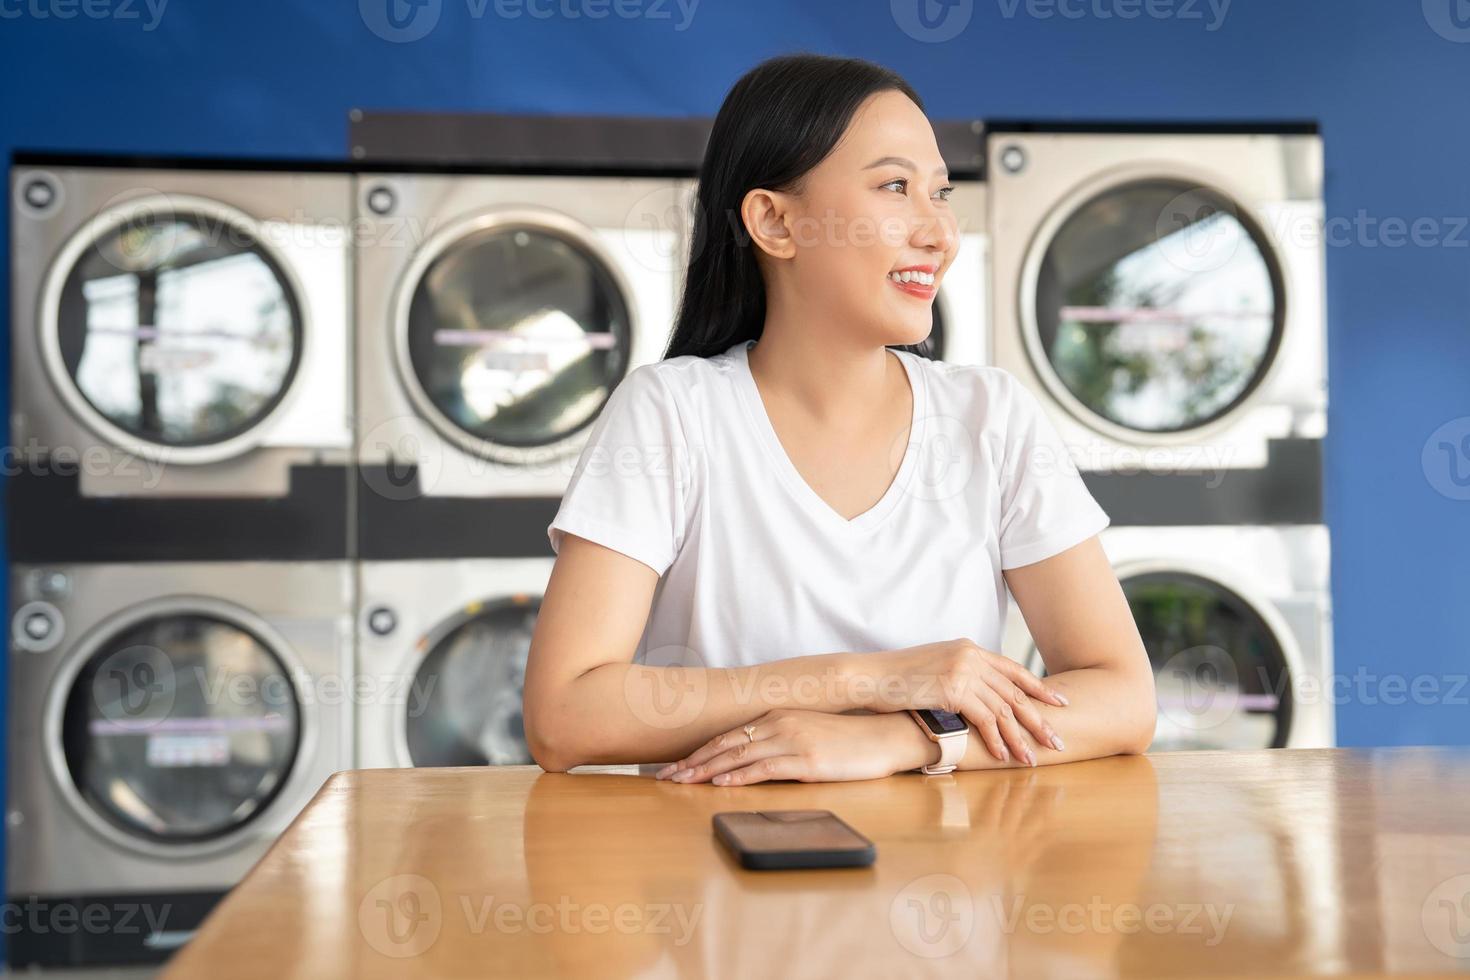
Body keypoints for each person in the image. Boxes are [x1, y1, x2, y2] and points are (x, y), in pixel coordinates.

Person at [524, 52, 1156, 784]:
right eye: (895, 187)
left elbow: (1122, 696)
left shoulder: (992, 418)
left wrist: (908, 739)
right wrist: (867, 680)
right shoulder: (671, 413)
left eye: (940, 192)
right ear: (774, 222)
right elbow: (564, 716)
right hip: (717, 876)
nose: (939, 233)